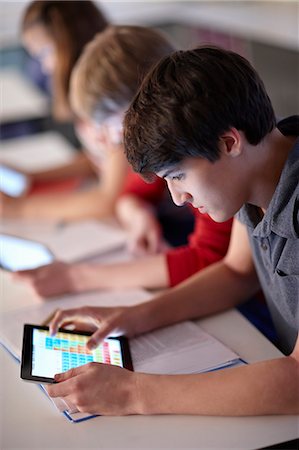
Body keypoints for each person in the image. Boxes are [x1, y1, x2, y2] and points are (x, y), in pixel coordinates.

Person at [45, 47, 298, 416]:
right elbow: (236, 273)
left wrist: (132, 393)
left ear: (229, 142)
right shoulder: (258, 169)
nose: (178, 198)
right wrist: (134, 317)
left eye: (178, 176)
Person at [0, 25, 173, 222]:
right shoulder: (119, 126)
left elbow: (107, 201)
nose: (44, 66)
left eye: (45, 53)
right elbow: (97, 162)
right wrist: (32, 176)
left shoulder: (140, 142)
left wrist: (20, 208)